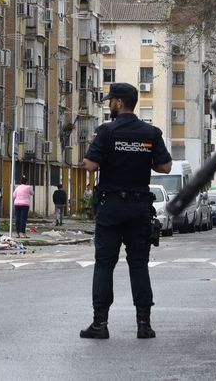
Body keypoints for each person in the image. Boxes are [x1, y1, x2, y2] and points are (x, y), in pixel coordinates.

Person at [79, 82, 172, 340]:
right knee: (139, 265)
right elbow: (165, 167)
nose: (109, 104)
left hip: (112, 208)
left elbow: (89, 165)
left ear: (119, 103)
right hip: (140, 207)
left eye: (111, 100)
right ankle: (144, 325)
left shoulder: (106, 132)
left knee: (104, 265)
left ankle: (100, 324)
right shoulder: (151, 133)